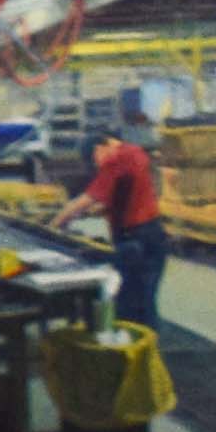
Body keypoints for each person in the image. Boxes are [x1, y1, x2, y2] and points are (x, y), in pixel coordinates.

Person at [59, 120, 173, 333]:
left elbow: (85, 200)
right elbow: (128, 196)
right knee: (144, 301)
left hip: (137, 241)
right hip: (152, 237)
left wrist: (55, 224)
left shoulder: (117, 158)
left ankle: (136, 353)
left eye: (93, 161)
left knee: (132, 304)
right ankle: (145, 349)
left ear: (99, 148)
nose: (96, 167)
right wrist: (99, 210)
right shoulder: (135, 152)